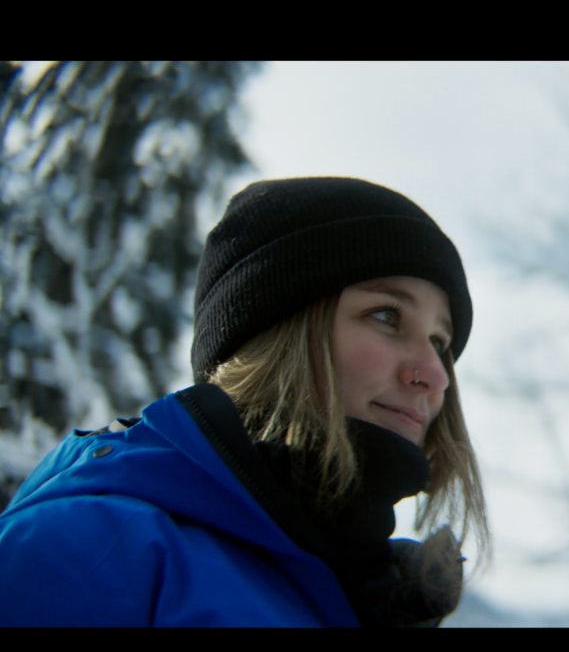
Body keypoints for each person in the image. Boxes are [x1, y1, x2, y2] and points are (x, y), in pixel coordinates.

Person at [0, 176, 489, 627]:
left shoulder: (369, 600)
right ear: (276, 336)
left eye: (440, 343)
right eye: (386, 315)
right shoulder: (91, 549)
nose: (435, 376)